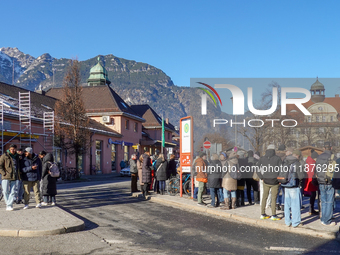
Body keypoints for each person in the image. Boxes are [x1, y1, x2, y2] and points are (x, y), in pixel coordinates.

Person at [257, 144, 282, 220]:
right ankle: (273, 215)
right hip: (275, 181)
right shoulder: (278, 158)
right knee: (273, 198)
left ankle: (262, 214)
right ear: (274, 150)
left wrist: (261, 177)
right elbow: (281, 170)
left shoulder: (262, 158)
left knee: (264, 197)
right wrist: (279, 179)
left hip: (266, 180)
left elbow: (257, 168)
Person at [315, 142, 337, 226]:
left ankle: (323, 218)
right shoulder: (334, 157)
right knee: (329, 202)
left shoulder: (319, 157)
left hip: (321, 182)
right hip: (330, 182)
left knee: (323, 201)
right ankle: (327, 220)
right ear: (331, 148)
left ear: (324, 148)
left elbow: (316, 170)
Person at [283, 150, 305, 228]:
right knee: (295, 205)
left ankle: (287, 222)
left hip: (285, 185)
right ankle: (296, 222)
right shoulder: (297, 163)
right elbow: (301, 176)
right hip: (294, 186)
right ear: (298, 155)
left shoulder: (285, 161)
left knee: (287, 205)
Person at [0, 144, 21, 211]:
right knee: (5, 191)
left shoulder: (17, 156)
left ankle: (9, 205)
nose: (13, 150)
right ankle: (8, 204)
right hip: (6, 176)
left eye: (14, 149)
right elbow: (0, 166)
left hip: (14, 176)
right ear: (9, 149)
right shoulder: (4, 155)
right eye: (11, 149)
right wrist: (4, 173)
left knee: (13, 191)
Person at [304, 149, 320, 215]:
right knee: (313, 195)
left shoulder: (307, 161)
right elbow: (312, 172)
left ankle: (311, 210)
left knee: (312, 195)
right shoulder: (312, 163)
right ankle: (312, 210)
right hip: (312, 180)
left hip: (309, 180)